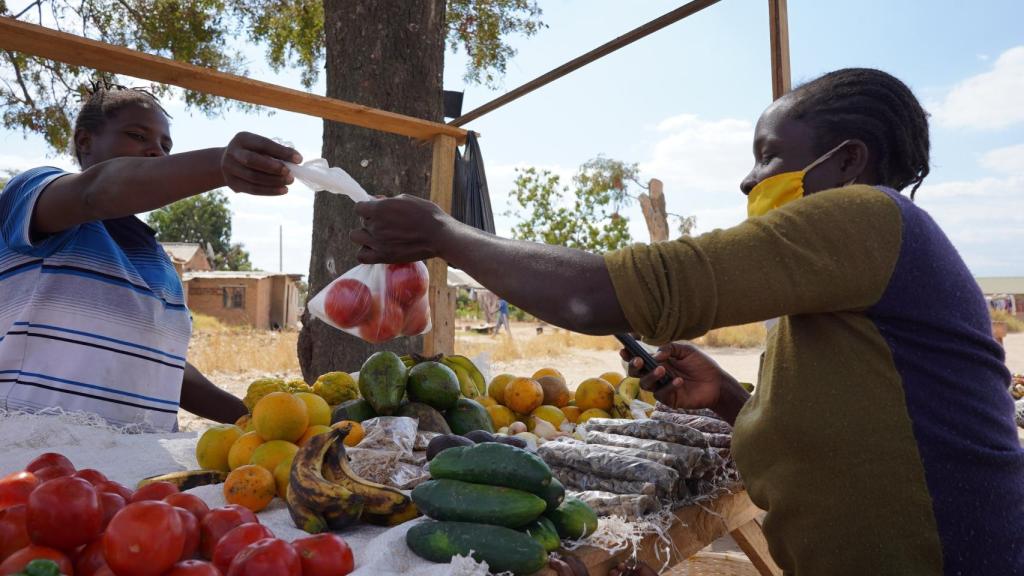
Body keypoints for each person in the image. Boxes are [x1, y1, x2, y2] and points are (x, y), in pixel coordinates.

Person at [350, 68, 1024, 575]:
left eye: (768, 154)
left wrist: (443, 232)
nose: (748, 179)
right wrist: (729, 400)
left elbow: (603, 295)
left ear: (849, 160)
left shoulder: (868, 215)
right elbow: (849, 430)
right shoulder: (837, 277)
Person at [0, 85, 301, 432]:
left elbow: (164, 365)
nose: (157, 152)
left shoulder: (159, 262)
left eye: (166, 147)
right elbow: (95, 192)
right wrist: (220, 164)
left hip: (139, 471)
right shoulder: (35, 195)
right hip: (37, 465)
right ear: (84, 141)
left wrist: (253, 420)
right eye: (137, 135)